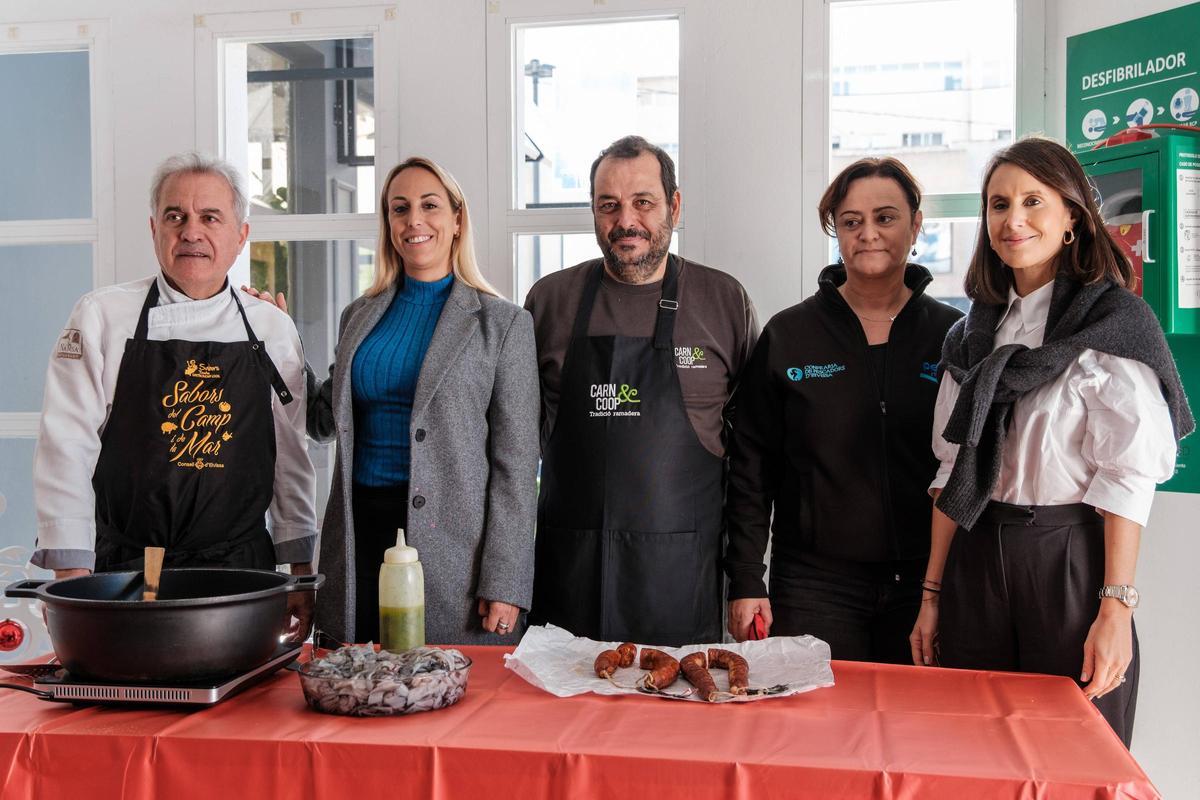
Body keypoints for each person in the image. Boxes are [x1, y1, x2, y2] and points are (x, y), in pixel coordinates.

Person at [909, 136, 1193, 747]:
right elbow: (951, 470)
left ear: (1071, 217)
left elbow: (1127, 475)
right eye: (998, 204)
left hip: (1068, 561)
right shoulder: (970, 334)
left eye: (1033, 201)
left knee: (1077, 751)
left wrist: (1115, 609)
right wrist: (932, 594)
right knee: (975, 750)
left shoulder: (1113, 323)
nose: (1013, 220)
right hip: (977, 560)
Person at [250, 157, 539, 646]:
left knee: (446, 699)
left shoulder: (503, 325)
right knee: (361, 692)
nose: (414, 221)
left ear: (457, 220)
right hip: (359, 531)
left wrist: (506, 581)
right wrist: (279, 341)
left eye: (430, 206)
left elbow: (515, 465)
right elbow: (322, 420)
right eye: (399, 209)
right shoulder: (359, 317)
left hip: (453, 549)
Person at [32, 152, 318, 640]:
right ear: (154, 229)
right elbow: (66, 446)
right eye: (175, 216)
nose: (191, 232)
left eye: (210, 217)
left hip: (243, 577)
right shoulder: (102, 316)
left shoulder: (271, 327)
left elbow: (291, 457)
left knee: (242, 708)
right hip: (130, 574)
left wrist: (299, 570)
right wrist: (71, 575)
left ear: (240, 235)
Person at [723, 158, 963, 662]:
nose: (868, 234)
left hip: (926, 582)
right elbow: (750, 467)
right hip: (814, 584)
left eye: (886, 217)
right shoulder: (790, 336)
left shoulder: (953, 337)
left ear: (916, 224)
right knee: (814, 735)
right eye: (851, 222)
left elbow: (969, 466)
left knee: (916, 730)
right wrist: (746, 577)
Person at [524, 135, 758, 646]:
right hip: (568, 575)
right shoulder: (549, 302)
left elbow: (752, 458)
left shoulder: (723, 301)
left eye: (643, 203)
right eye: (608, 205)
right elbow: (513, 452)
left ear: (674, 205)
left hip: (679, 581)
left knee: (671, 724)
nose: (625, 221)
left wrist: (747, 578)